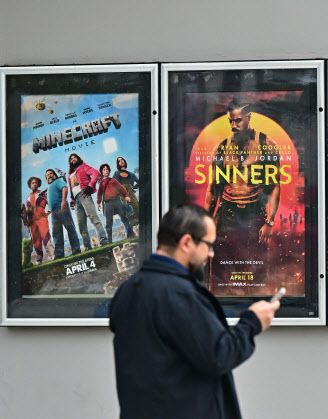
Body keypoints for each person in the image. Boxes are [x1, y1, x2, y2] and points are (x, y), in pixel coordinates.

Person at [110, 204, 280, 419]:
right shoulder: (179, 294)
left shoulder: (128, 290)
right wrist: (252, 322)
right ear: (187, 243)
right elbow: (219, 355)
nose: (211, 253)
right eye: (209, 245)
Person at [204, 101, 281, 279]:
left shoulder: (265, 144)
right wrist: (206, 223)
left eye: (238, 120)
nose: (234, 125)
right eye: (230, 121)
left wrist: (269, 222)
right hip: (227, 214)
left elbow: (275, 186)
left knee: (256, 270)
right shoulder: (222, 148)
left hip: (254, 214)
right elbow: (212, 189)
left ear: (249, 117)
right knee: (221, 272)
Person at [68, 153, 109, 249]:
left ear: (78, 159)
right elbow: (71, 188)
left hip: (84, 194)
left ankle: (103, 240)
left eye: (74, 157)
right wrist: (72, 200)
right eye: (71, 158)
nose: (73, 159)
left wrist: (90, 186)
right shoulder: (70, 175)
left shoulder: (84, 167)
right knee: (81, 225)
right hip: (76, 200)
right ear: (69, 162)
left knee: (94, 218)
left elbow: (96, 173)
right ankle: (87, 246)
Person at [45, 168, 81, 258]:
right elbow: (51, 201)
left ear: (54, 175)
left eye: (51, 173)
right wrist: (48, 212)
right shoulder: (49, 187)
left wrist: (64, 201)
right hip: (54, 212)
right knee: (56, 233)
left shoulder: (58, 181)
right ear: (46, 179)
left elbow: (65, 188)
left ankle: (76, 249)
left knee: (70, 228)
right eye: (47, 175)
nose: (49, 175)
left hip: (62, 208)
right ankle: (59, 254)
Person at [97, 163, 135, 241]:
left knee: (124, 218)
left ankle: (130, 234)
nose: (106, 171)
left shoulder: (113, 180)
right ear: (102, 172)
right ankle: (110, 240)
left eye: (107, 169)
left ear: (109, 171)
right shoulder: (101, 183)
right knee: (108, 222)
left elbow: (121, 188)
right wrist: (98, 203)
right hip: (108, 204)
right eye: (104, 170)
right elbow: (99, 193)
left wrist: (126, 196)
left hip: (117, 201)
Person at [20, 176, 52, 264]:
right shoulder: (28, 198)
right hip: (32, 221)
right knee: (36, 241)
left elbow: (50, 202)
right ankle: (39, 259)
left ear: (38, 184)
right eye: (32, 183)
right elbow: (27, 211)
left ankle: (52, 255)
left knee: (46, 236)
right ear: (30, 185)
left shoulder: (42, 193)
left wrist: (48, 213)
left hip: (41, 218)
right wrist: (25, 217)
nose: (34, 184)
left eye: (36, 183)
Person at [113, 156, 140, 226]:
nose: (121, 161)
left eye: (122, 160)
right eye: (119, 161)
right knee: (128, 211)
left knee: (136, 207)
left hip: (131, 194)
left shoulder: (131, 174)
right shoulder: (116, 173)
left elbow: (139, 182)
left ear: (124, 161)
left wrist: (133, 187)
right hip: (122, 196)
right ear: (118, 164)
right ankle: (132, 226)